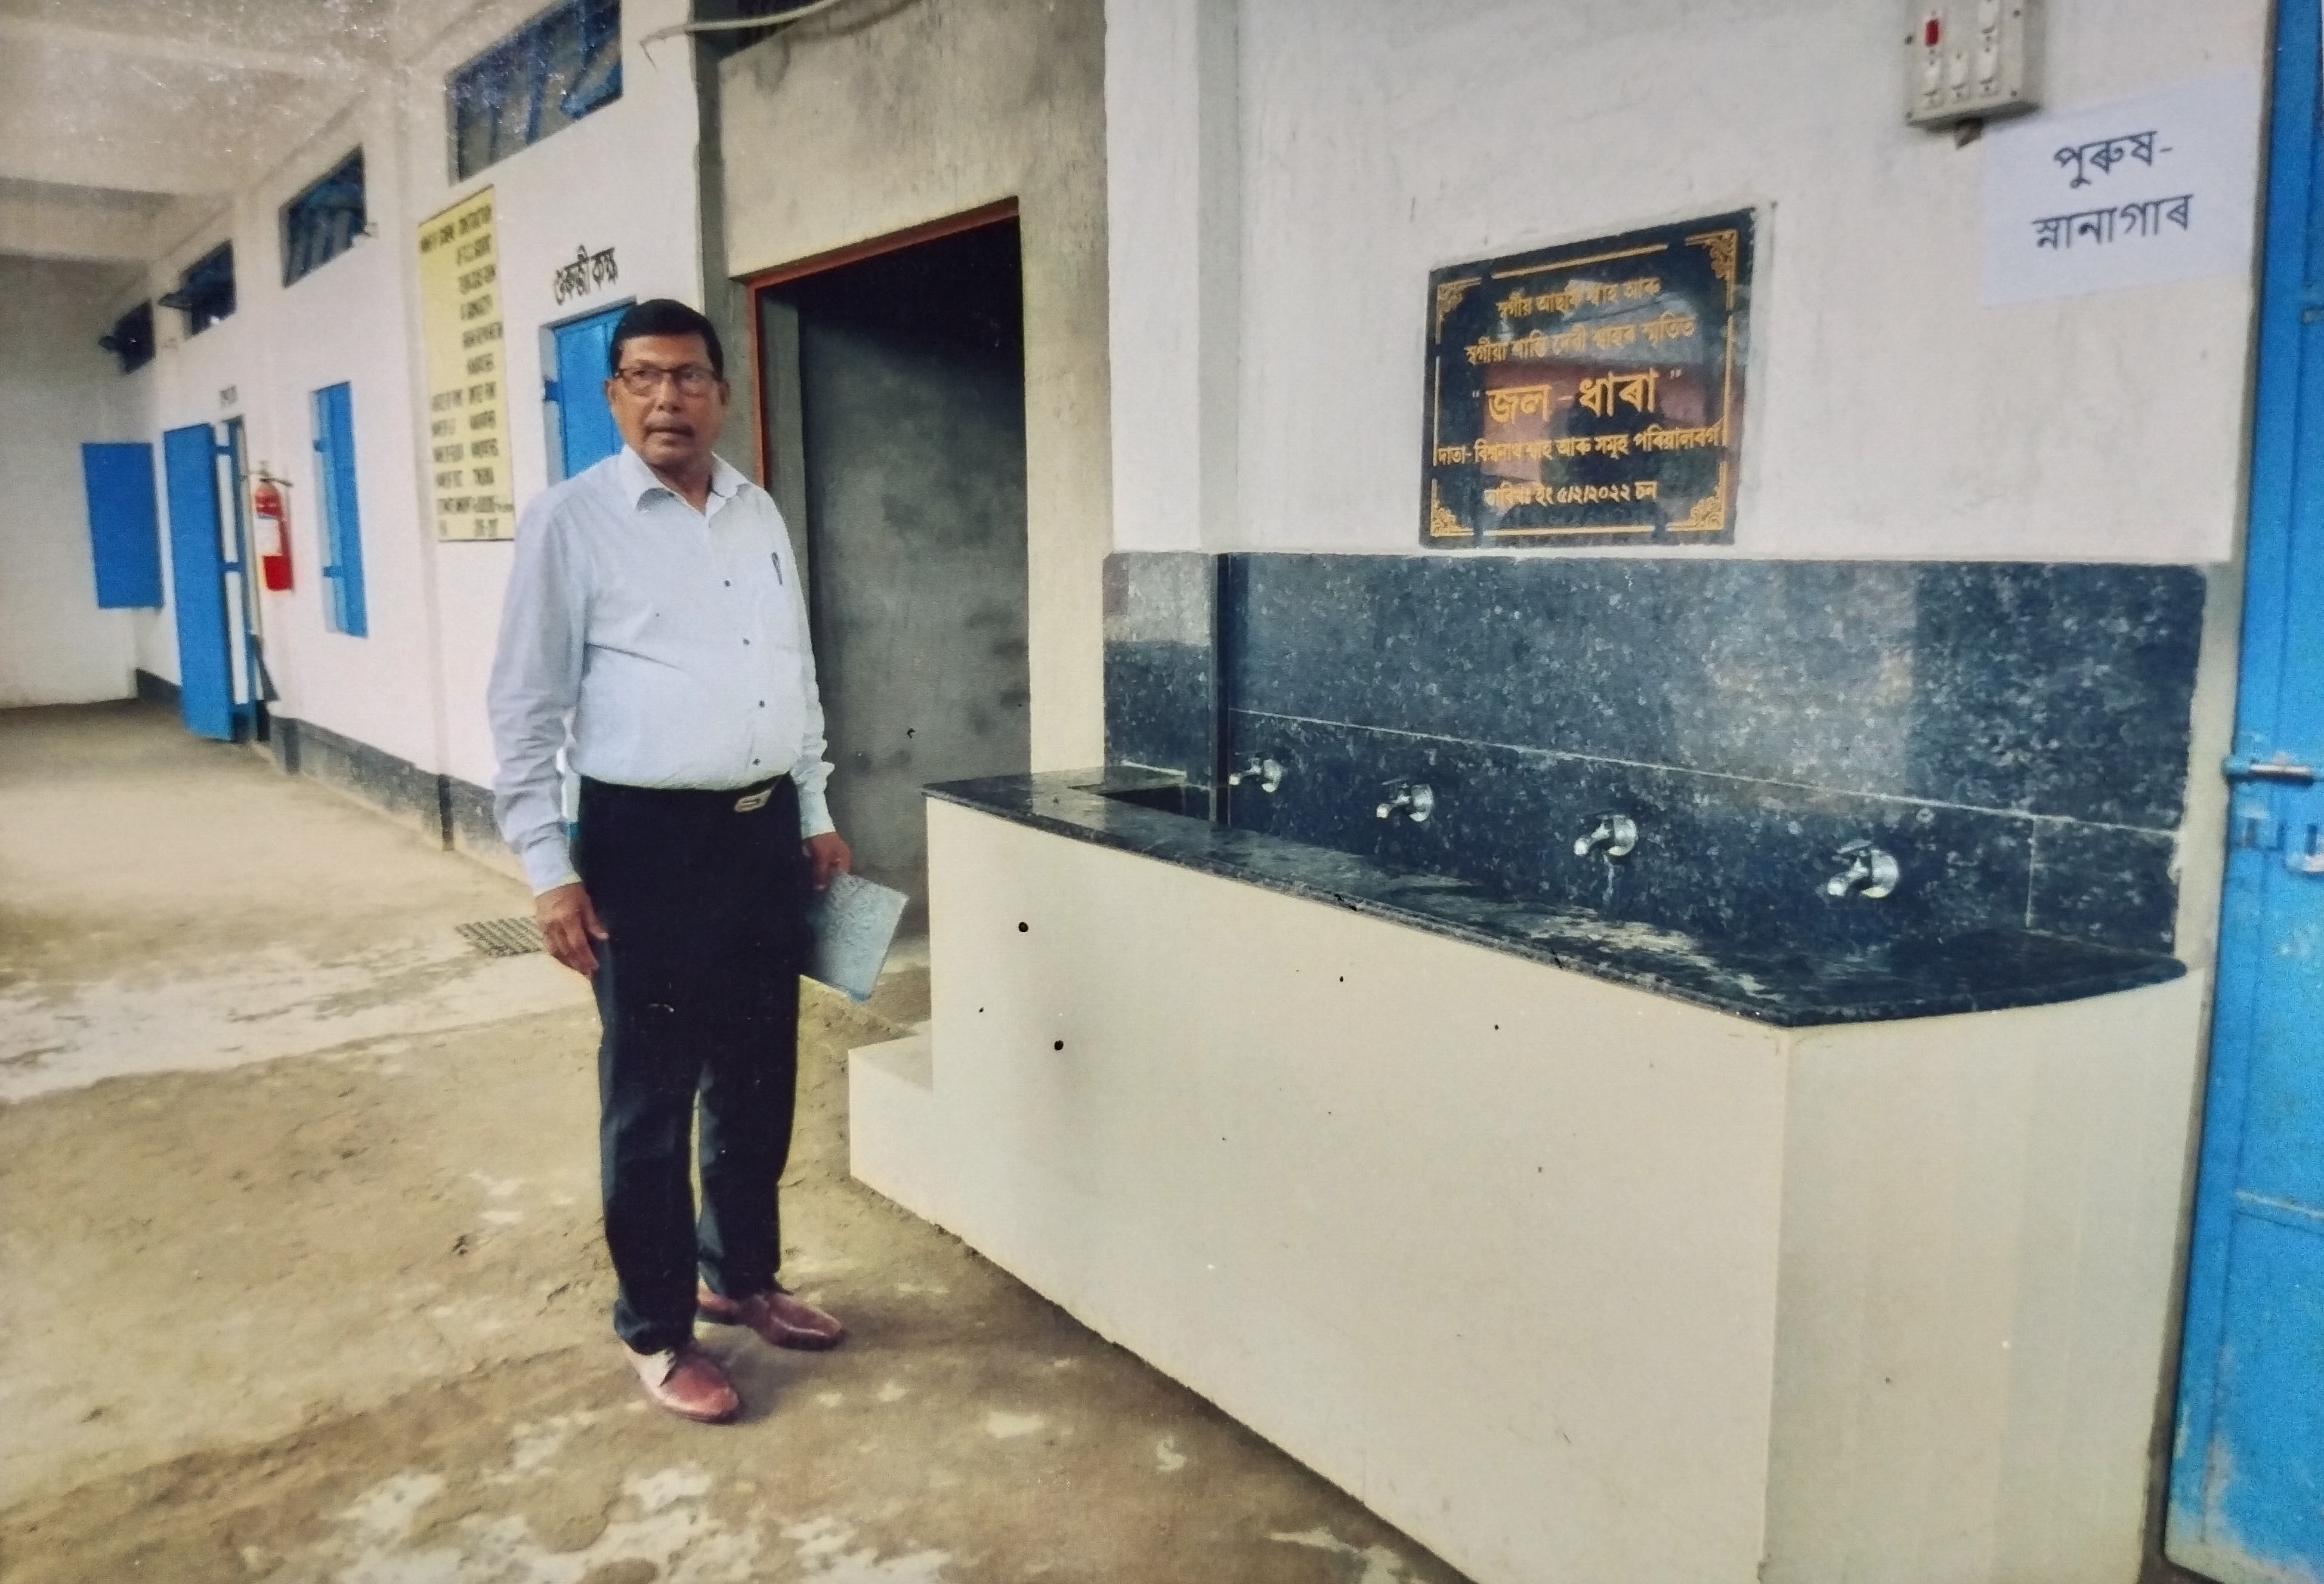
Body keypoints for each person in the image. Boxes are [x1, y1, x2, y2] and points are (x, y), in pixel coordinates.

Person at [487, 298, 851, 1423]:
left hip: (760, 834)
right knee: (650, 1097)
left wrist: (814, 804)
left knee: (758, 1073)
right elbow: (524, 706)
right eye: (642, 378)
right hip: (643, 845)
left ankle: (738, 1276)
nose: (667, 399)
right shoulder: (571, 521)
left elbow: (790, 669)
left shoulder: (756, 511)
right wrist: (548, 865)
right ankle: (656, 1328)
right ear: (612, 396)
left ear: (721, 392)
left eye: (688, 377)